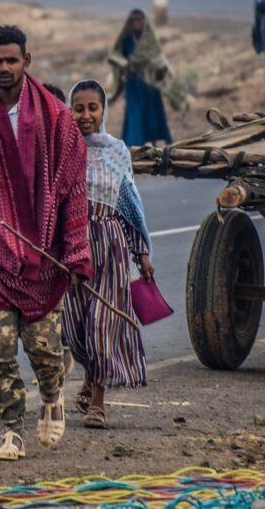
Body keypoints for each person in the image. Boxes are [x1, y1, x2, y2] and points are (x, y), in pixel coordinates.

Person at [0, 24, 92, 461]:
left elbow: (71, 188)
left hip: (42, 258)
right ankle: (12, 429)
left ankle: (52, 395)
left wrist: (74, 252)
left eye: (12, 60)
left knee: (45, 350)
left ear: (26, 61)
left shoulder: (56, 118)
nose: (4, 68)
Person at [66, 79, 153, 430]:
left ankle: (98, 402)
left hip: (110, 246)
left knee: (103, 325)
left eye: (93, 108)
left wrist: (141, 252)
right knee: (73, 328)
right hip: (72, 248)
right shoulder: (61, 150)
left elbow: (130, 204)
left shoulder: (118, 151)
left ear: (103, 111)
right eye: (79, 108)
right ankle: (90, 373)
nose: (86, 116)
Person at [114, 10, 173, 146]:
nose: (136, 23)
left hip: (149, 85)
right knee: (135, 116)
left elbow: (159, 61)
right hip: (133, 85)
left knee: (152, 117)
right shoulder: (127, 41)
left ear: (144, 21)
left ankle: (153, 145)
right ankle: (135, 148)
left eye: (139, 19)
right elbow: (121, 62)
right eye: (133, 20)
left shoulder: (150, 41)